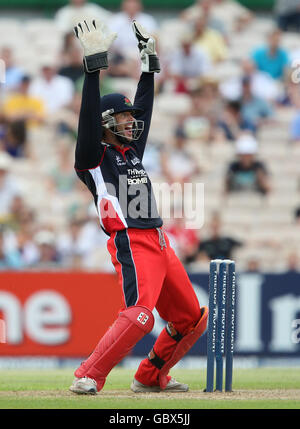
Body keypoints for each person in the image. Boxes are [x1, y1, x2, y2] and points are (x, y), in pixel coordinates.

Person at [69, 19, 208, 395]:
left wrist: (149, 69)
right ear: (106, 123)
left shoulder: (129, 151)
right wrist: (94, 67)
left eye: (132, 119)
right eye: (125, 119)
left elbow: (144, 107)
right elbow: (85, 120)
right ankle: (88, 374)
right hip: (132, 240)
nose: (133, 124)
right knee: (141, 315)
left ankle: (149, 377)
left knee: (192, 319)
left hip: (161, 242)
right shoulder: (92, 156)